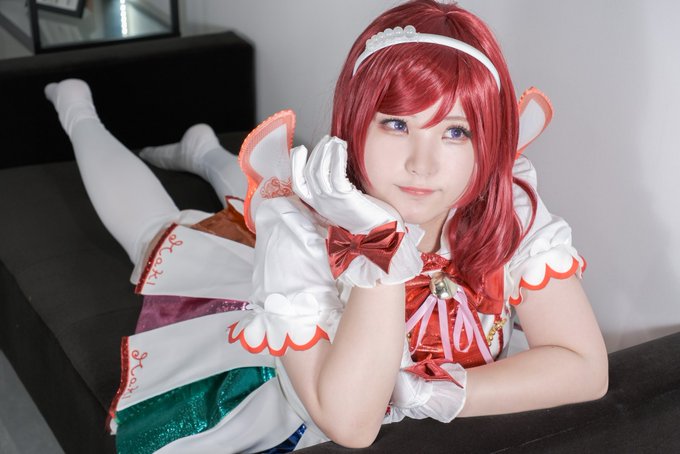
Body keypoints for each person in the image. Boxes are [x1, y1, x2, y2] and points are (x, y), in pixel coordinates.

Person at [45, 1, 608, 452]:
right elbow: (352, 425)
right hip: (292, 384)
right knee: (163, 236)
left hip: (333, 236)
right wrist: (382, 251)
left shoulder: (509, 207)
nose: (423, 164)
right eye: (396, 124)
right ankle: (78, 112)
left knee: (262, 193)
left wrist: (447, 393)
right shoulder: (299, 232)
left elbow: (585, 367)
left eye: (455, 132)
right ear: (357, 124)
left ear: (488, 143)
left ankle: (202, 150)